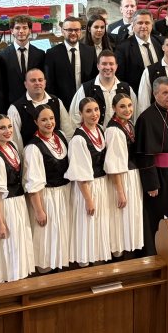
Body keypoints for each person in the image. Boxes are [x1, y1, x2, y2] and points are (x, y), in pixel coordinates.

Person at [0, 114, 35, 282]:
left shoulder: (11, 146)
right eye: (2, 128)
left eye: (9, 127)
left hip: (17, 203)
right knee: (7, 246)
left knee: (18, 245)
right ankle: (9, 282)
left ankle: (20, 279)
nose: (7, 131)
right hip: (4, 205)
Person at [134, 77, 168, 257]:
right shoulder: (146, 118)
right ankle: (158, 253)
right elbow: (144, 155)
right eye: (165, 93)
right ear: (155, 94)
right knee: (159, 215)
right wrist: (151, 184)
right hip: (160, 177)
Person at [23, 104, 72, 273]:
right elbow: (33, 184)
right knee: (47, 240)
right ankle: (46, 276)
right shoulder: (33, 148)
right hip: (48, 198)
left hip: (65, 194)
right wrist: (39, 210)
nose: (49, 122)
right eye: (44, 119)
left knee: (62, 239)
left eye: (51, 118)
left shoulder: (61, 136)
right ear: (36, 122)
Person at [66, 98, 112, 265]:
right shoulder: (79, 139)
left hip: (101, 185)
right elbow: (79, 174)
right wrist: (88, 200)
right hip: (87, 188)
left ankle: (99, 262)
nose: (94, 114)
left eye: (96, 109)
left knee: (99, 226)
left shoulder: (100, 129)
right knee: (87, 225)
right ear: (81, 114)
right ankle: (86, 265)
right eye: (89, 111)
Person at [104, 92, 144, 257]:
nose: (127, 109)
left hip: (132, 176)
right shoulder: (114, 130)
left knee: (131, 216)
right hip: (122, 178)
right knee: (121, 216)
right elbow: (113, 164)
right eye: (122, 106)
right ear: (114, 108)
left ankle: (130, 250)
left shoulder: (129, 124)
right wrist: (120, 191)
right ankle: (120, 255)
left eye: (129, 105)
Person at [8, 68, 74, 154]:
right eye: (33, 80)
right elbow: (16, 141)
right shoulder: (15, 109)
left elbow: (67, 131)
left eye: (40, 80)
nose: (37, 83)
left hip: (59, 155)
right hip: (32, 157)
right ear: (25, 84)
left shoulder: (56, 101)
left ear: (45, 82)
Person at [70, 50, 136, 128]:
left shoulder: (126, 88)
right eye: (104, 64)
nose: (108, 67)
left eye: (111, 64)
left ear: (116, 66)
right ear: (98, 66)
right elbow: (75, 118)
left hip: (121, 137)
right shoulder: (85, 89)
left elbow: (135, 116)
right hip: (95, 138)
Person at [44, 16, 97, 109]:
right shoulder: (52, 53)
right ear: (62, 31)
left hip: (86, 102)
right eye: (69, 30)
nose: (73, 33)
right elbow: (49, 83)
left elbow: (94, 77)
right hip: (62, 104)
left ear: (81, 31)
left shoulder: (90, 51)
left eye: (76, 30)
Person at [0, 15, 45, 107]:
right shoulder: (2, 56)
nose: (21, 31)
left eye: (25, 28)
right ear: (12, 31)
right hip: (11, 104)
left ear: (30, 30)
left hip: (35, 103)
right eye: (17, 28)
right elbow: (0, 85)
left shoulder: (40, 54)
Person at [116, 9, 163, 95]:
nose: (144, 26)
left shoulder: (161, 42)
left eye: (147, 23)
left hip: (161, 92)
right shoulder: (123, 48)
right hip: (137, 93)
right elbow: (120, 77)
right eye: (140, 23)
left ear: (152, 25)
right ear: (133, 25)